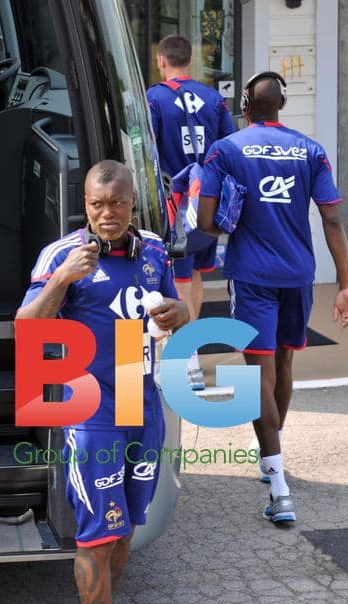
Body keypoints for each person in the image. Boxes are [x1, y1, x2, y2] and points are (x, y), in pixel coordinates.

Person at [16, 160, 188, 604]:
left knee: (123, 533)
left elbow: (171, 307)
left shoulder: (155, 250)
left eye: (116, 204)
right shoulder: (60, 254)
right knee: (96, 533)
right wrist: (65, 278)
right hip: (89, 406)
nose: (106, 214)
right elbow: (26, 328)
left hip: (142, 401)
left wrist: (179, 311)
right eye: (96, 205)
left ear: (132, 203)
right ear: (84, 205)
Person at [197, 71, 348, 524]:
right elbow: (331, 219)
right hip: (297, 276)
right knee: (284, 366)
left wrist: (227, 218)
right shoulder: (311, 150)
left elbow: (208, 222)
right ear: (281, 105)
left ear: (245, 104)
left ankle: (280, 485)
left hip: (252, 277)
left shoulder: (225, 150)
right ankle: (273, 454)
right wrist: (345, 285)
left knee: (259, 376)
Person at [147, 34, 235, 390]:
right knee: (196, 275)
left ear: (161, 60)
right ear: (189, 62)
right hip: (208, 204)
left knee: (180, 281)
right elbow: (228, 148)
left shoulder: (154, 98)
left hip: (177, 205)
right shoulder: (214, 99)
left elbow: (147, 152)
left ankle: (188, 362)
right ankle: (191, 350)